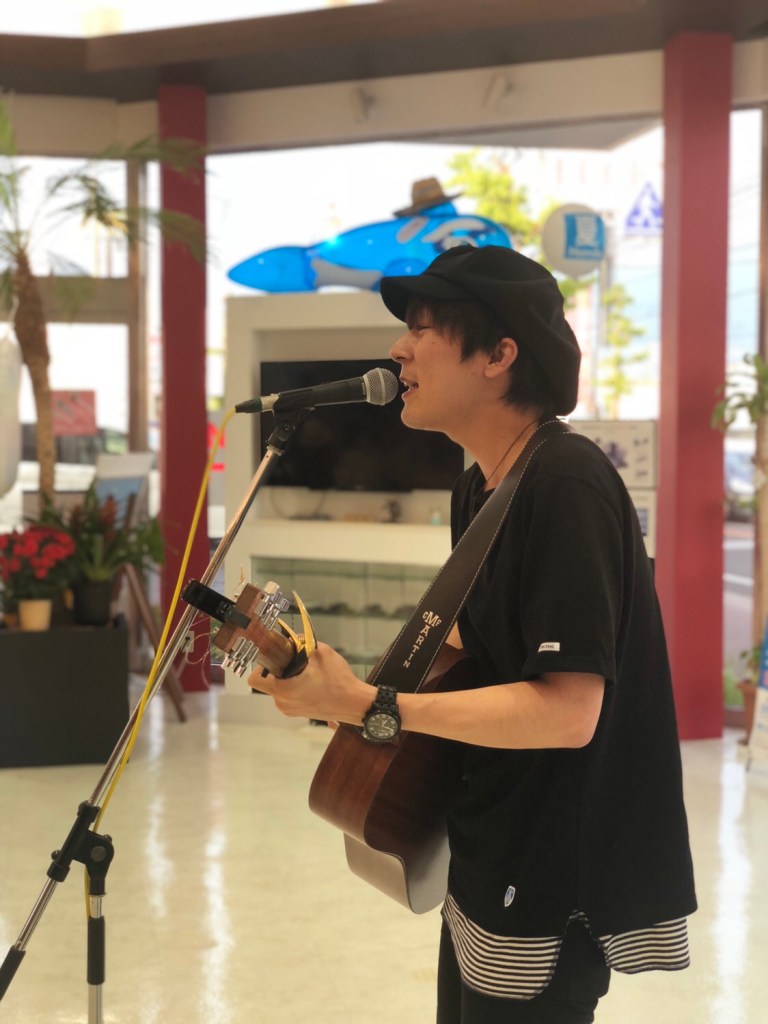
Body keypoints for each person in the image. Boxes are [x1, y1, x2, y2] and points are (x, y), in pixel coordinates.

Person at [249, 244, 697, 1023]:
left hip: (549, 870)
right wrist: (332, 684)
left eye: (423, 328)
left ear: (498, 355)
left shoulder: (565, 483)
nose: (398, 349)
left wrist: (369, 706)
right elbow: (465, 654)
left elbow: (568, 711)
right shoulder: (482, 485)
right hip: (488, 841)